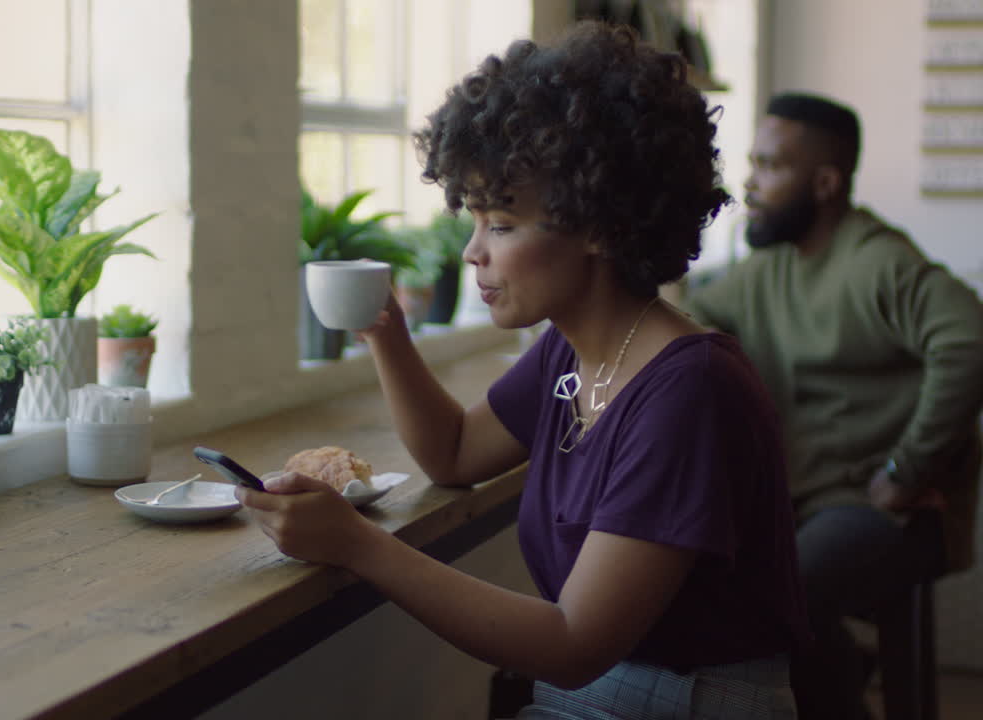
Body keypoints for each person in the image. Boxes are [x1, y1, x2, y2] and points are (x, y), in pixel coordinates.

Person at [237, 22, 810, 719]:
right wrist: (383, 327)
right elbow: (453, 452)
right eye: (474, 218)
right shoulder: (573, 351)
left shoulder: (689, 392)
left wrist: (359, 545)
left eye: (502, 224)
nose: (473, 252)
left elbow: (575, 645)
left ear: (602, 225)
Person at [683, 92, 983, 719]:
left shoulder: (876, 261)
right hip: (803, 506)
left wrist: (908, 469)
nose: (750, 182)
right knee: (696, 580)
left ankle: (835, 673)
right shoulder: (768, 270)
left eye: (770, 166)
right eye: (752, 162)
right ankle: (838, 667)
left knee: (778, 596)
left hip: (888, 510)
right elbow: (688, 320)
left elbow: (968, 337)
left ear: (824, 182)